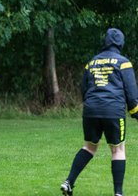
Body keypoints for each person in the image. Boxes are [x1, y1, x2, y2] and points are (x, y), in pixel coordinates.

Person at [60, 28, 138, 196]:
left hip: (91, 110)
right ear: (121, 43)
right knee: (118, 150)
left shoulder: (92, 62)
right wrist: (135, 112)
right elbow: (131, 93)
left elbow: (84, 88)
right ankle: (118, 193)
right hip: (113, 111)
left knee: (89, 146)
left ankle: (69, 182)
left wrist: (90, 105)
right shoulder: (123, 62)